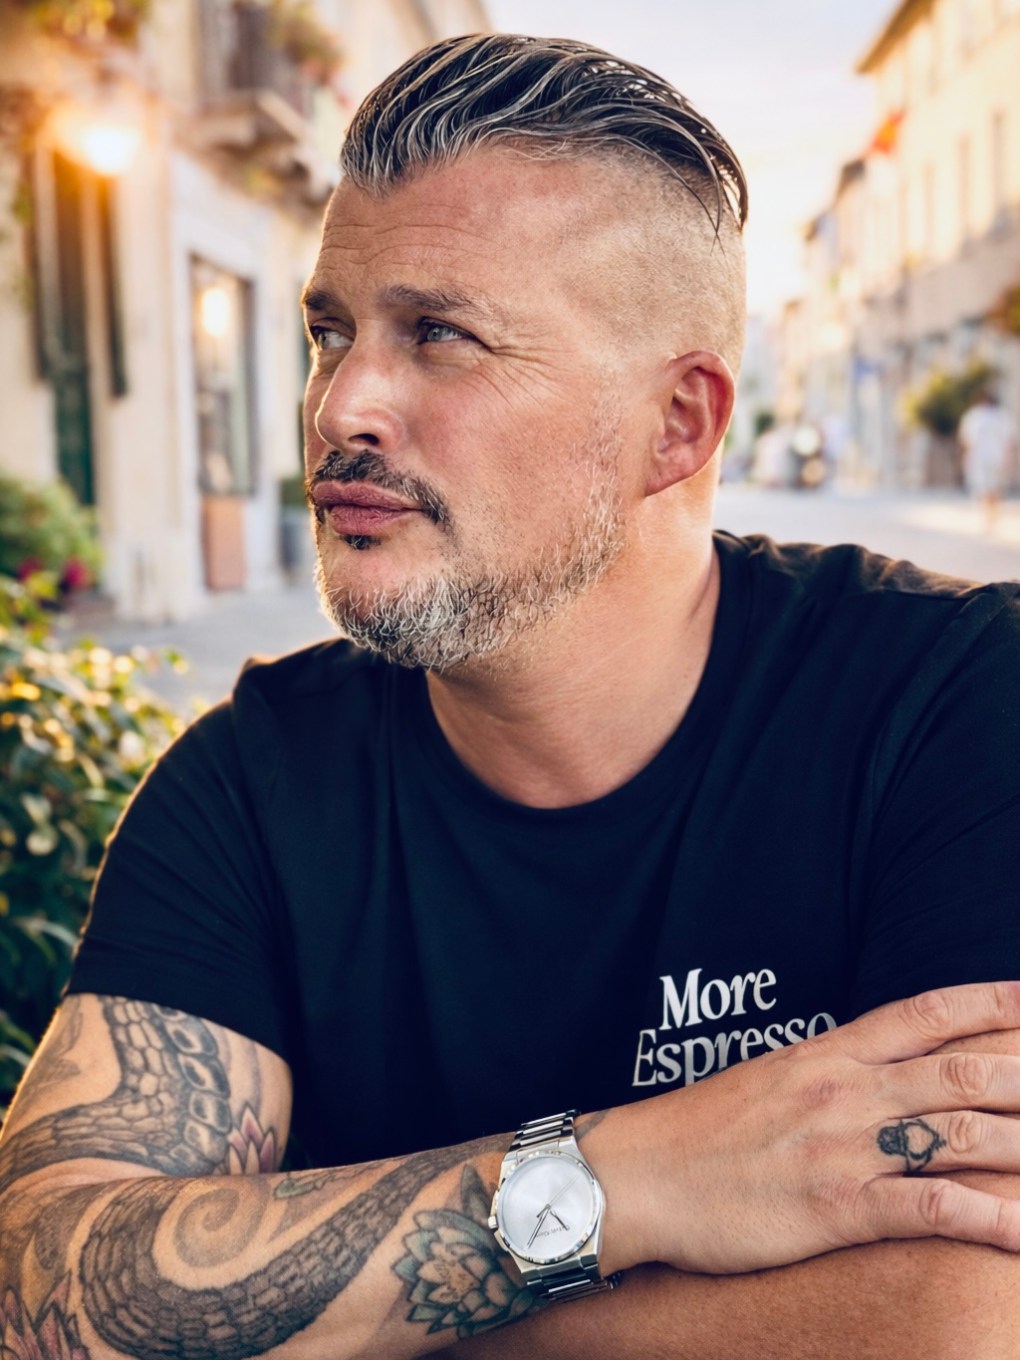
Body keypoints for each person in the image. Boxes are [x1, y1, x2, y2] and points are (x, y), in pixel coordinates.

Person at [2, 33, 1020, 1360]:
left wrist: (355, 1323)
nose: (343, 403)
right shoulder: (254, 783)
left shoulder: (950, 702)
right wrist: (621, 1182)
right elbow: (50, 1291)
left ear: (679, 427)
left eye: (441, 336)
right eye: (332, 331)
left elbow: (959, 1316)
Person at [958, 385, 1018, 532]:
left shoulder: (999, 416)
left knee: (993, 489)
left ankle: (992, 518)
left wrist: (1010, 458)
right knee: (985, 489)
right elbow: (967, 440)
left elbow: (1010, 440)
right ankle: (988, 518)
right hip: (983, 459)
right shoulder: (976, 415)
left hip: (994, 458)